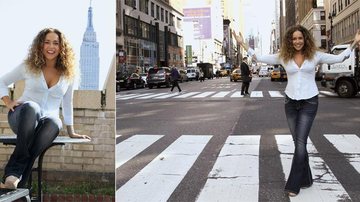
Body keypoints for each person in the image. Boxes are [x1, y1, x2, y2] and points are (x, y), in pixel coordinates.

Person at [233, 26, 360, 197]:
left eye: (300, 38)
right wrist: (243, 45)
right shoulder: (284, 57)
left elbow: (338, 58)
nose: (297, 41)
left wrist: (354, 44)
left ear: (305, 39)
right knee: (298, 142)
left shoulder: (315, 55)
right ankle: (306, 179)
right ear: (290, 41)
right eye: (294, 39)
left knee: (301, 143)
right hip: (290, 103)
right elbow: (261, 57)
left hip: (309, 102)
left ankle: (294, 184)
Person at [0, 28, 91, 189]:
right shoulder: (29, 66)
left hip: (46, 123)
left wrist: (71, 131)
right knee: (32, 107)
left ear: (62, 47)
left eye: (56, 43)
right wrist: (8, 101)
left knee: (55, 122)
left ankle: (14, 179)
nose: (51, 46)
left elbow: (67, 102)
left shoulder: (68, 73)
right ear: (40, 45)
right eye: (47, 42)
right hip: (23, 116)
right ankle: (14, 174)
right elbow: (2, 81)